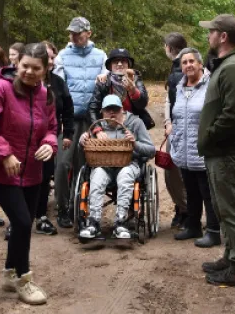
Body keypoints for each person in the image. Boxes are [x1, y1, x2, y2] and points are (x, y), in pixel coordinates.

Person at [0, 43, 57, 305]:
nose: (29, 72)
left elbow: (52, 127)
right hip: (1, 170)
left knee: (25, 225)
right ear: (17, 64)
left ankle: (10, 272)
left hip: (32, 170)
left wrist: (49, 143)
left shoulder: (46, 95)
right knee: (21, 223)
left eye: (36, 68)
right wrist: (5, 153)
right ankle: (24, 279)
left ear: (46, 69)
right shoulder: (2, 88)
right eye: (25, 66)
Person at [196, 14, 235, 288]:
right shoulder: (227, 65)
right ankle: (231, 257)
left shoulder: (232, 68)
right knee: (225, 208)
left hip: (227, 150)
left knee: (232, 209)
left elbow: (233, 115)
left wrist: (208, 136)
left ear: (223, 37)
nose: (208, 36)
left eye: (212, 32)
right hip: (219, 150)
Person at [53, 16, 106, 228]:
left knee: (84, 164)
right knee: (63, 163)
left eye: (78, 32)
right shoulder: (62, 56)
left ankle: (80, 206)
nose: (74, 36)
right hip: (68, 119)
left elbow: (106, 77)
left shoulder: (100, 56)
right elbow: (58, 84)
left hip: (91, 118)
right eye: (71, 33)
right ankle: (62, 208)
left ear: (89, 33)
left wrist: (105, 77)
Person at [78, 95, 155, 240]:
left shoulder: (135, 123)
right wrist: (82, 141)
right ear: (102, 112)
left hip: (129, 165)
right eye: (108, 110)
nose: (112, 113)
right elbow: (84, 150)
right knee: (97, 175)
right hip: (104, 165)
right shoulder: (97, 127)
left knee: (125, 175)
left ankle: (121, 222)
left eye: (116, 109)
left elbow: (151, 150)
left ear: (122, 110)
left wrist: (135, 144)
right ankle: (93, 222)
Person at [168, 48, 220, 246]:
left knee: (208, 192)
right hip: (184, 149)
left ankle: (214, 231)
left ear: (200, 64)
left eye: (192, 61)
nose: (188, 65)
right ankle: (193, 226)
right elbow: (177, 116)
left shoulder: (211, 86)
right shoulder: (179, 88)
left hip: (203, 149)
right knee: (191, 191)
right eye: (184, 62)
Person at [34, 42, 73, 237]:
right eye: (46, 57)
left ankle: (41, 215)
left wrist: (67, 135)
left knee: (44, 175)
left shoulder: (58, 82)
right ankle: (18, 219)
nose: (50, 61)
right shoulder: (22, 81)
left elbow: (67, 110)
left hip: (51, 135)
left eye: (52, 57)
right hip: (25, 137)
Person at [162, 32, 189, 229]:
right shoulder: (179, 66)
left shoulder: (179, 69)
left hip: (181, 127)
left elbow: (173, 101)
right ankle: (182, 210)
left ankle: (185, 210)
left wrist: (171, 123)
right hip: (178, 125)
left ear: (169, 48)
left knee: (175, 171)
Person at [88, 48, 153, 129]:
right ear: (110, 66)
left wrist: (133, 91)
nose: (119, 64)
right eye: (115, 61)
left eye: (123, 61)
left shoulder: (135, 79)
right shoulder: (103, 82)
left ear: (128, 65)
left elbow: (142, 104)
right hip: (108, 126)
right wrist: (98, 129)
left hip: (132, 125)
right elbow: (93, 108)